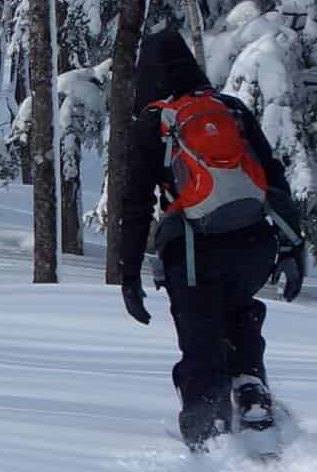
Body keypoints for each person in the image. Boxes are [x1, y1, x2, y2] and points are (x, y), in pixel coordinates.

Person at [111, 28, 306, 450]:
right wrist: (293, 246)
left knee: (201, 344)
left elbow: (134, 204)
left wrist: (128, 274)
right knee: (238, 312)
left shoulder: (154, 123)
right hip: (253, 244)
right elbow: (274, 179)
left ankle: (209, 444)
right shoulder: (230, 110)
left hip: (194, 252)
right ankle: (251, 389)